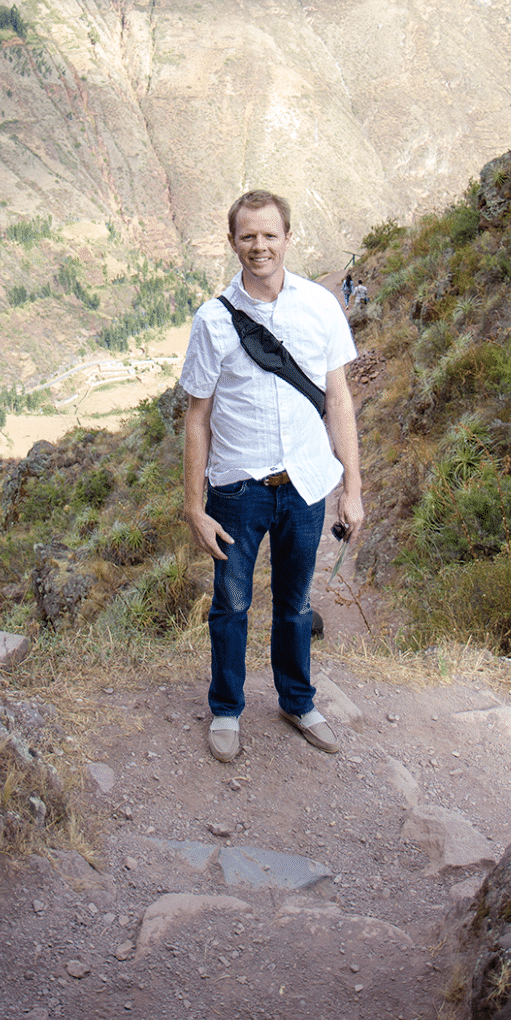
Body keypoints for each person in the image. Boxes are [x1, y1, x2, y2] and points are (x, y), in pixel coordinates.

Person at [180, 190, 364, 762]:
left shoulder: (319, 305)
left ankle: (297, 701)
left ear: (288, 237)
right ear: (232, 241)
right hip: (237, 488)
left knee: (295, 604)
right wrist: (194, 506)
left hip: (306, 484)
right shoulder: (213, 322)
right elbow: (197, 417)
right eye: (247, 236)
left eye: (269, 235)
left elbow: (338, 399)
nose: (259, 246)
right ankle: (227, 709)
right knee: (231, 605)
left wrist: (351, 489)